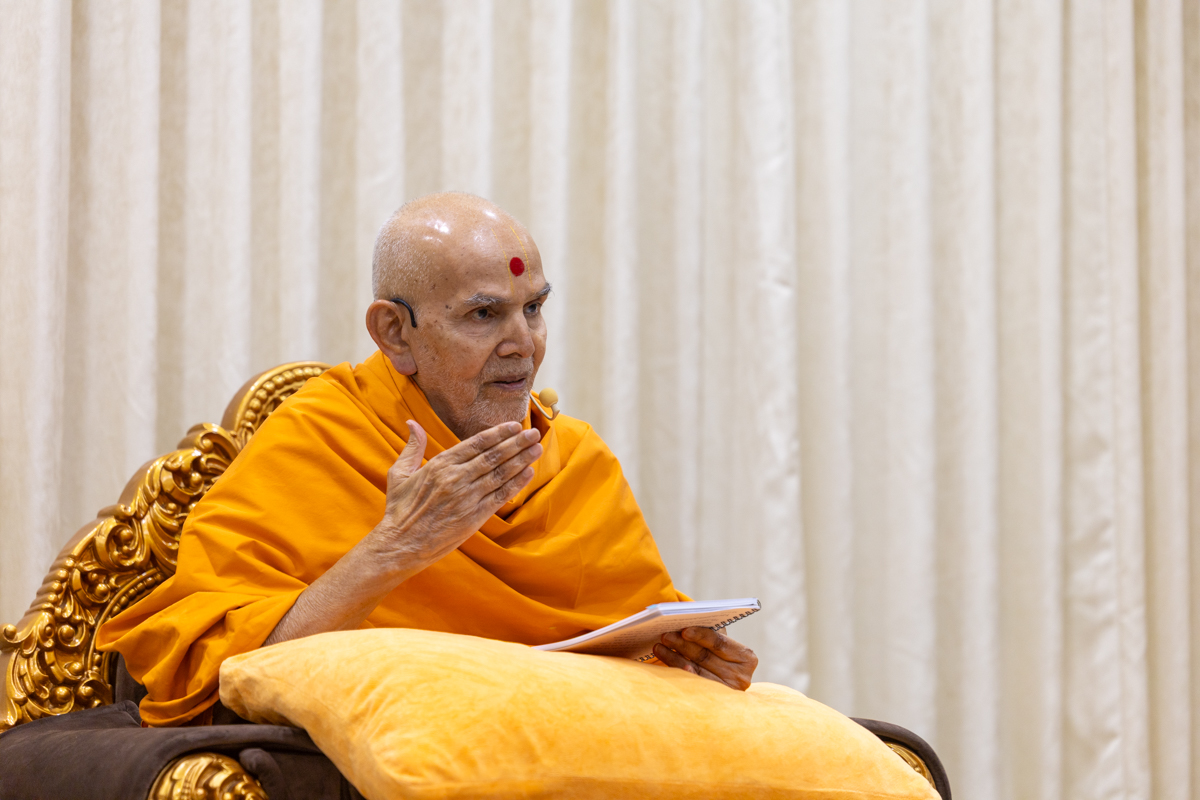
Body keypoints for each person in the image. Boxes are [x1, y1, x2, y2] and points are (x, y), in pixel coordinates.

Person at [97, 193, 757, 727]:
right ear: (394, 332)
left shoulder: (575, 460)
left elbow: (628, 643)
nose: (523, 344)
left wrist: (682, 661)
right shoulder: (320, 437)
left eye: (533, 309)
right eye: (484, 314)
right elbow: (218, 670)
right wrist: (394, 549)